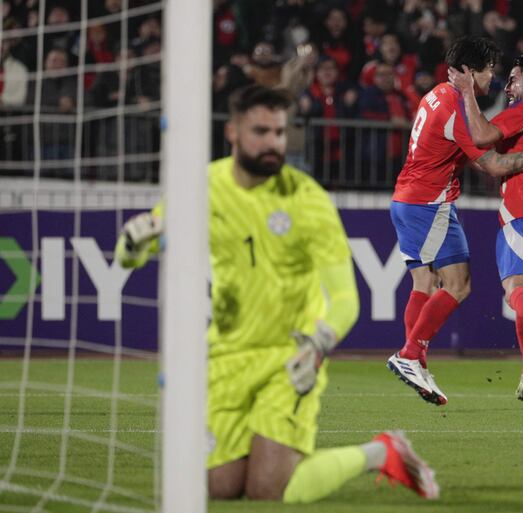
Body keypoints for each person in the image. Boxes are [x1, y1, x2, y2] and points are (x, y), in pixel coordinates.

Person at [115, 85, 439, 503]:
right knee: (219, 488)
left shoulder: (307, 200)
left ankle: (380, 453)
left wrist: (319, 344)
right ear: (232, 132)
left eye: (280, 133)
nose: (274, 143)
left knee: (269, 489)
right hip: (225, 357)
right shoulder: (201, 189)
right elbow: (132, 255)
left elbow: (345, 299)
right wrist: (131, 243)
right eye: (261, 132)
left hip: (290, 358)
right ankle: (381, 451)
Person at [386, 37, 523, 406]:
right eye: (490, 71)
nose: (494, 79)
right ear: (469, 72)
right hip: (429, 203)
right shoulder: (456, 110)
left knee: (423, 280)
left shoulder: (435, 94)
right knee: (458, 285)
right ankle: (410, 354)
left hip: (411, 198)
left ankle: (414, 359)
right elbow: (494, 164)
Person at [448, 54, 523, 401]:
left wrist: (467, 93)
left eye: (515, 79)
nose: (509, 85)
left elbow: (482, 134)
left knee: (514, 291)